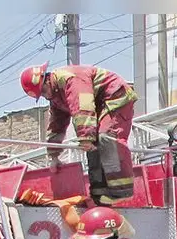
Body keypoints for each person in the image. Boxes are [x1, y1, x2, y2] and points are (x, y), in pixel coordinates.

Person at [19, 63, 138, 207]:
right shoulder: (56, 96)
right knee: (92, 145)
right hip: (99, 104)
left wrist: (86, 137)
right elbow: (56, 126)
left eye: (43, 91)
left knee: (107, 137)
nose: (45, 96)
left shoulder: (71, 79)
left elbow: (83, 107)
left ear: (47, 79)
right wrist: (54, 156)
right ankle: (99, 193)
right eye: (41, 95)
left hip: (116, 97)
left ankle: (122, 190)